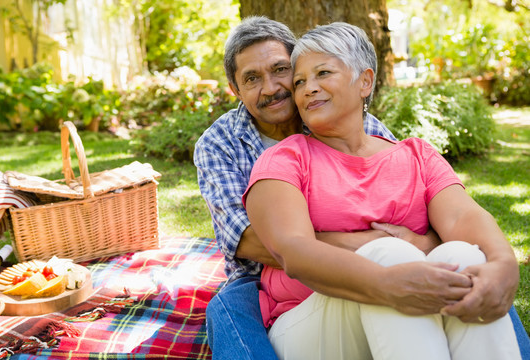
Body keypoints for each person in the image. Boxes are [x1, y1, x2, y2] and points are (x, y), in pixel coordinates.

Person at [194, 16, 530, 360]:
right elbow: (256, 241)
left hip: (385, 266)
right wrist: (385, 245)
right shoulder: (228, 145)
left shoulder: (369, 128)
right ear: (235, 90)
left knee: (466, 261)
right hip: (262, 278)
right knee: (229, 312)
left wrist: (501, 264)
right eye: (252, 78)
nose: (272, 88)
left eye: (282, 71)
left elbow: (432, 207)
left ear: (363, 82)